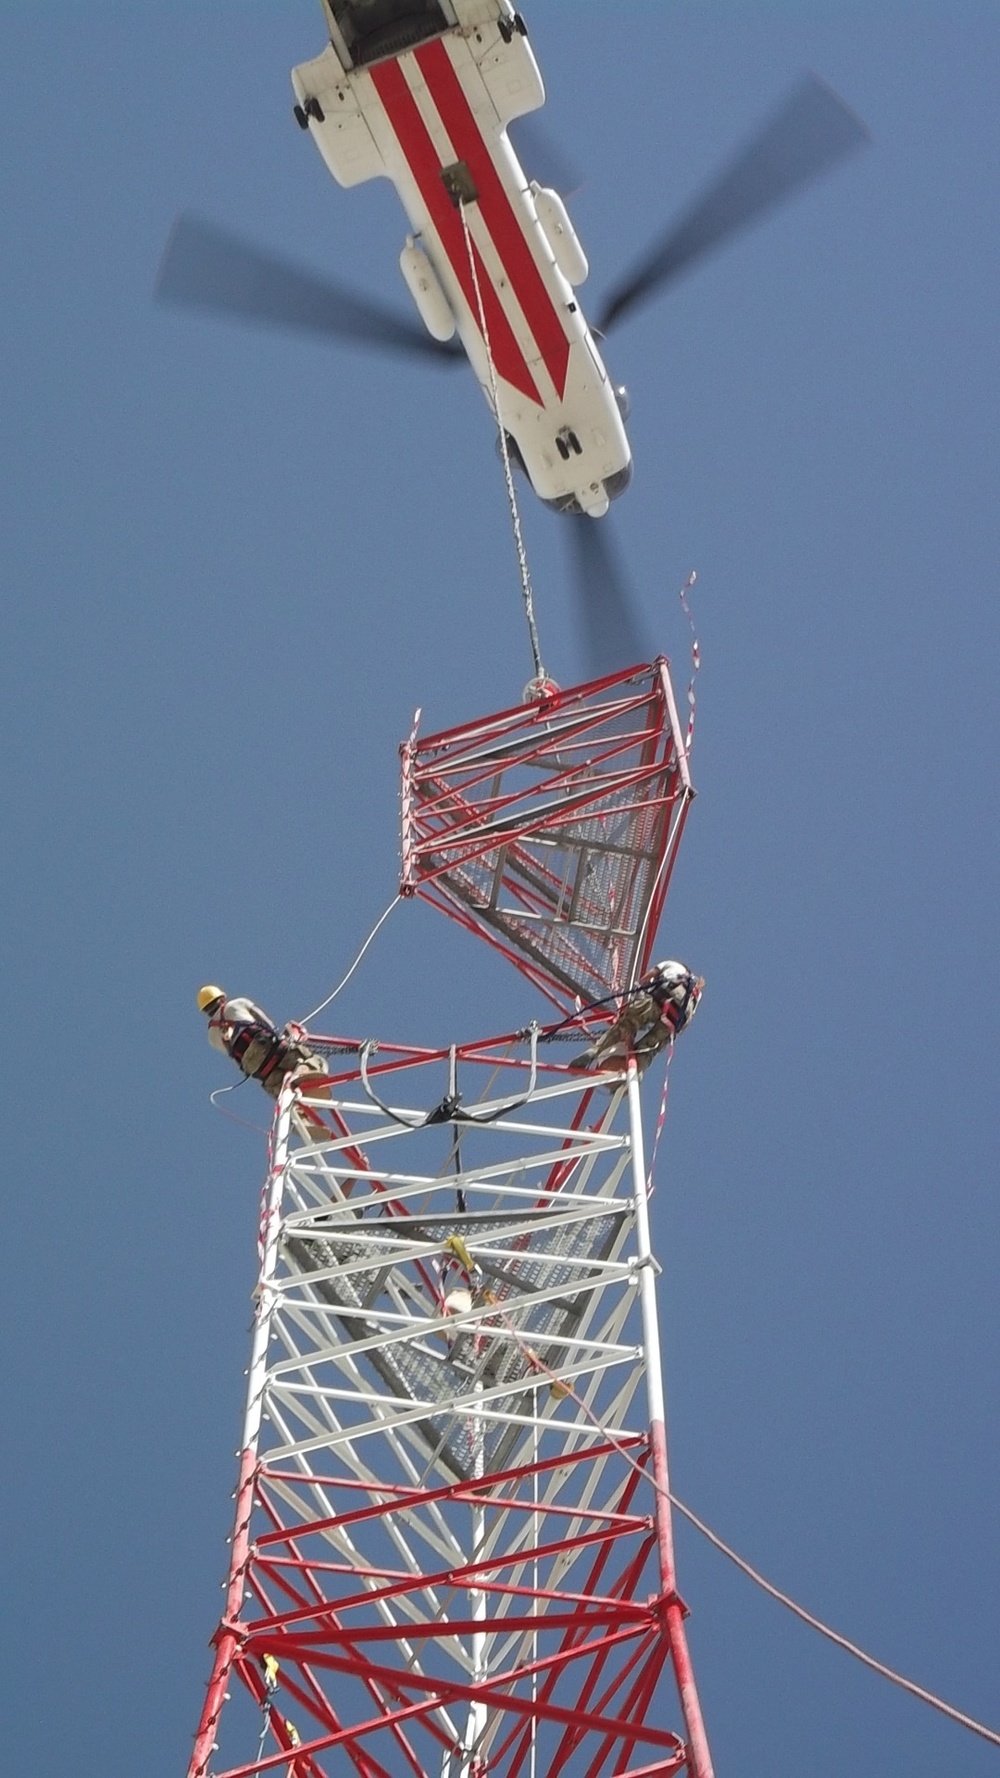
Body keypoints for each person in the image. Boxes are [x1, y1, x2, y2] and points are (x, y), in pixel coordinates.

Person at [570, 960, 704, 1075]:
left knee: (626, 1025)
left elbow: (650, 975)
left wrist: (638, 988)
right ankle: (637, 1071)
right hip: (676, 1019)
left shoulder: (672, 964)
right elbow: (688, 1020)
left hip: (661, 998)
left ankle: (594, 1052)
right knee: (650, 1048)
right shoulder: (696, 991)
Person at [197, 985, 328, 1100]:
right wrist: (278, 1035)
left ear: (205, 1011)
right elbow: (262, 1019)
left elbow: (232, 1053)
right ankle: (303, 1072)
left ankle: (300, 1116)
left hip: (256, 1067)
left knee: (281, 1090)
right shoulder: (237, 1003)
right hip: (268, 1046)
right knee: (311, 1059)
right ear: (222, 998)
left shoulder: (211, 1036)